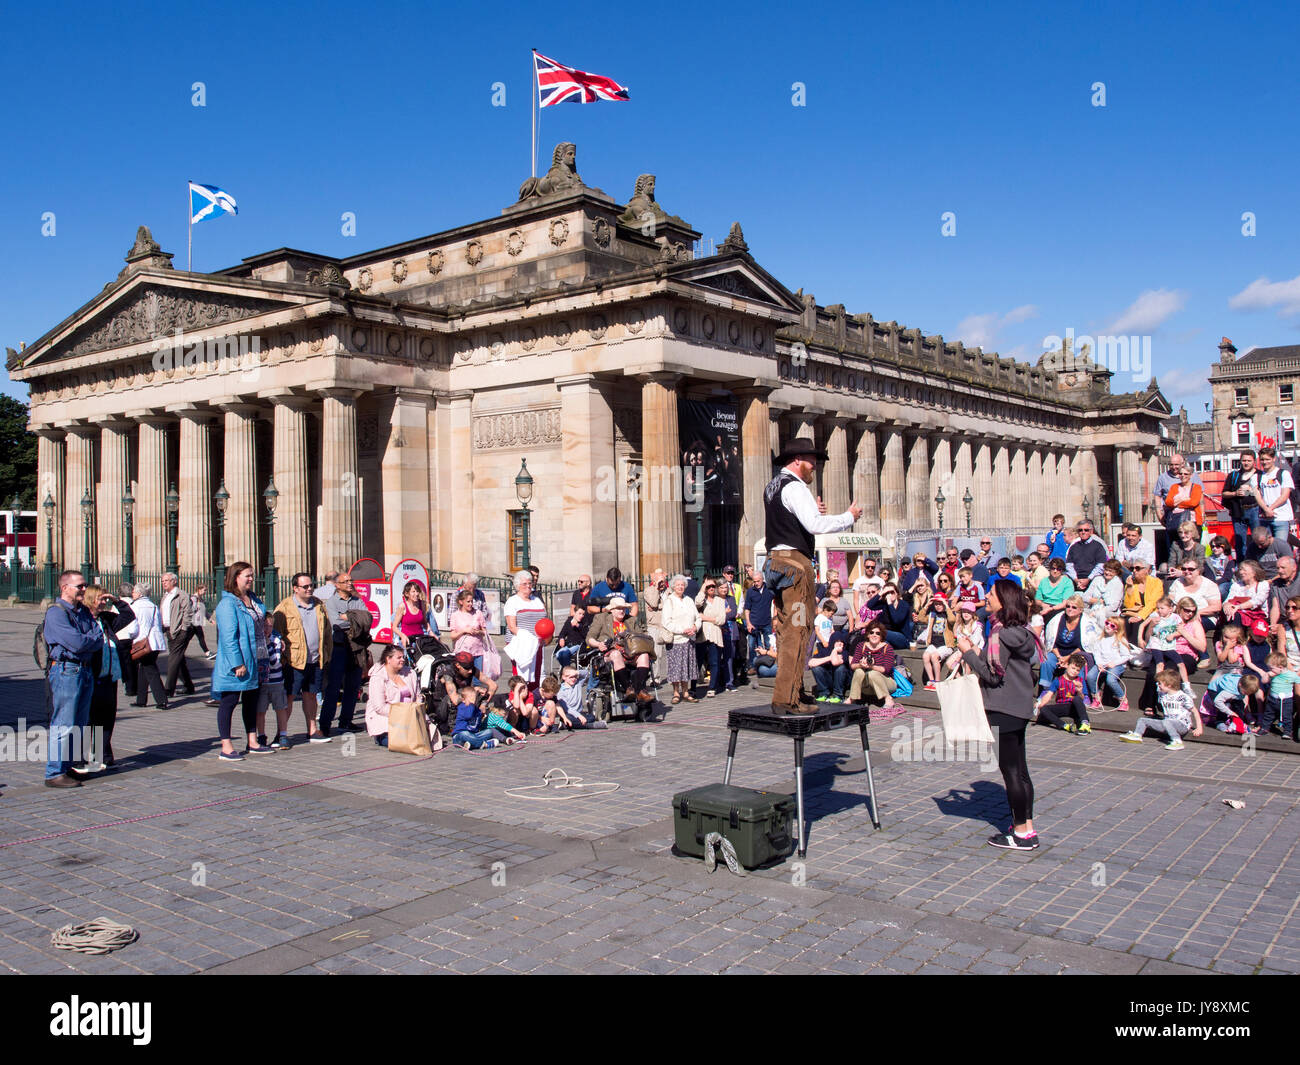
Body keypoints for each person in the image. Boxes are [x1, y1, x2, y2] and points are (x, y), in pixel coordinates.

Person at [763, 437, 863, 714]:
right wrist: (848, 517)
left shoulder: (773, 486)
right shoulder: (795, 487)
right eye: (811, 461)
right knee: (799, 630)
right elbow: (814, 525)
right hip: (795, 567)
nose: (814, 466)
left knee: (786, 630)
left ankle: (795, 690)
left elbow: (791, 520)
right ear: (797, 460)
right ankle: (786, 699)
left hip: (775, 564)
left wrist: (811, 514)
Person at [957, 580, 1040, 850]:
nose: (987, 598)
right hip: (1021, 706)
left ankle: (1019, 834)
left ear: (1003, 601)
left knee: (1011, 772)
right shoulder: (1023, 631)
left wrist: (968, 653)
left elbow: (993, 676)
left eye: (991, 594)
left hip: (1003, 707)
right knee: (1022, 770)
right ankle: (1026, 825)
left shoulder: (1000, 634)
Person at [42, 570, 102, 788]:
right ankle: (54, 772)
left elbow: (98, 637)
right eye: (80, 586)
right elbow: (77, 643)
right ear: (65, 587)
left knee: (79, 723)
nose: (84, 589)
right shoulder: (56, 613)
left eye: (85, 585)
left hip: (84, 669)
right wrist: (88, 641)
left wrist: (88, 641)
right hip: (67, 670)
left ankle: (67, 767)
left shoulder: (83, 611)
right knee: (64, 724)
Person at [213, 562, 274, 760]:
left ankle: (252, 741)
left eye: (252, 575)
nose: (251, 579)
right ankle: (226, 746)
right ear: (235, 577)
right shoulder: (227, 604)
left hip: (257, 657)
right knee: (229, 701)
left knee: (251, 701)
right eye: (247, 575)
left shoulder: (253, 599)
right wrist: (237, 663)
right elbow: (228, 637)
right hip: (239, 661)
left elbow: (262, 622)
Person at [82, 585, 136, 771]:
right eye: (100, 598)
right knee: (92, 718)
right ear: (90, 599)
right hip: (92, 676)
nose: (103, 602)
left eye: (104, 599)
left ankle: (103, 756)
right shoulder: (84, 619)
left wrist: (116, 601)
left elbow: (129, 616)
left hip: (110, 676)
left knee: (107, 718)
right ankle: (91, 756)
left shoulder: (106, 619)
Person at [274, 572, 331, 743]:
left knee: (311, 694)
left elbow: (326, 630)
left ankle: (312, 730)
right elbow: (277, 634)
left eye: (311, 585)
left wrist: (326, 653)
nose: (309, 589)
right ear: (295, 588)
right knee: (289, 697)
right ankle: (281, 733)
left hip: (315, 659)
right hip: (294, 661)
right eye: (305, 586)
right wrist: (283, 658)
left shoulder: (319, 605)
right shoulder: (284, 607)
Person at [319, 573, 369, 736]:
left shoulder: (357, 600)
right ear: (337, 585)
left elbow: (368, 619)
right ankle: (325, 724)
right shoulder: (332, 602)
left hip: (356, 648)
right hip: (339, 647)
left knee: (353, 686)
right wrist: (356, 618)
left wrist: (348, 617)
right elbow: (336, 623)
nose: (350, 583)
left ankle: (345, 721)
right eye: (345, 581)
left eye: (350, 580)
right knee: (333, 687)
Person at [585, 595, 654, 707]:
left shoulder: (631, 620)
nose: (622, 611)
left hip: (631, 652)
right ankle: (628, 689)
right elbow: (590, 638)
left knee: (644, 655)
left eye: (623, 608)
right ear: (611, 610)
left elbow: (642, 635)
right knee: (616, 654)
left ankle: (640, 690)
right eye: (618, 608)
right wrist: (599, 644)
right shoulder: (601, 618)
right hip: (610, 652)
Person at [1118, 669, 1202, 750]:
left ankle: (1177, 741)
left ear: (1169, 685)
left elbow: (1195, 712)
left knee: (1167, 721)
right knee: (1142, 720)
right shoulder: (1163, 694)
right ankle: (1137, 735)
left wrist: (1199, 728)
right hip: (1167, 723)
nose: (1158, 685)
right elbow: (1158, 678)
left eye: (1160, 683)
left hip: (1182, 725)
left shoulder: (1183, 697)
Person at [366, 643, 420, 747]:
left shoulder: (410, 673)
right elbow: (379, 707)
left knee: (426, 739)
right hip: (387, 719)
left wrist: (417, 709)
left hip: (411, 718)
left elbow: (418, 695)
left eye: (403, 657)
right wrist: (402, 713)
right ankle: (380, 738)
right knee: (404, 743)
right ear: (388, 659)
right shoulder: (378, 677)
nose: (403, 660)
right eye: (398, 657)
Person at [503, 570, 547, 688]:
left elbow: (544, 620)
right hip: (521, 643)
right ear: (517, 586)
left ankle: (533, 699)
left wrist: (543, 637)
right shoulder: (512, 601)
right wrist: (529, 638)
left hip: (537, 643)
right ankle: (519, 700)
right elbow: (512, 627)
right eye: (524, 584)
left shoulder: (537, 601)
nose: (528, 586)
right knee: (520, 677)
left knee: (536, 674)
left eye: (530, 583)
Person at [127, 582, 168, 710]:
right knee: (144, 669)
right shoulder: (153, 605)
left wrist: (130, 637)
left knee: (150, 669)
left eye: (133, 591)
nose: (132, 593)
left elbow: (133, 626)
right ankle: (141, 699)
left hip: (143, 642)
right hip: (155, 641)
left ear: (139, 593)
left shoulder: (134, 606)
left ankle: (162, 700)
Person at [661, 574, 701, 704]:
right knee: (676, 668)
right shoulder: (669, 601)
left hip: (689, 639)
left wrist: (695, 627)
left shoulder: (689, 600)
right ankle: (676, 692)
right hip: (676, 640)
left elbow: (698, 617)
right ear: (673, 587)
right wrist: (682, 630)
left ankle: (686, 692)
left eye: (682, 585)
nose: (680, 587)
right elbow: (666, 622)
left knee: (687, 667)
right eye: (678, 585)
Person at [256, 614, 292, 750]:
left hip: (276, 680)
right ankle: (261, 735)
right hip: (262, 682)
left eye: (270, 626)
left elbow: (275, 662)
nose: (267, 629)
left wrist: (268, 644)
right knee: (260, 710)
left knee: (280, 708)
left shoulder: (275, 640)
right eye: (264, 626)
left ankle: (283, 735)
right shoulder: (257, 640)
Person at [160, 572, 197, 700]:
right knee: (179, 660)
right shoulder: (165, 596)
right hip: (169, 630)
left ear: (174, 581)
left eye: (166, 580)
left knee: (173, 659)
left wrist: (184, 628)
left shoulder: (181, 595)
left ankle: (168, 689)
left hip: (180, 631)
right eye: (163, 581)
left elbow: (188, 612)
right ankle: (189, 686)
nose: (164, 583)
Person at [1034, 653, 1092, 733]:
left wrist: (1079, 691)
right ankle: (1065, 726)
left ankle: (1085, 723)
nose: (1075, 671)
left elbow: (1082, 699)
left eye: (1077, 670)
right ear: (1067, 665)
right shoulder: (1058, 680)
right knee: (1043, 709)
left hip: (1074, 706)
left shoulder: (1080, 681)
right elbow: (1049, 694)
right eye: (1073, 668)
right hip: (1062, 706)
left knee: (1077, 699)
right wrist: (1040, 704)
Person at [847, 622, 898, 709]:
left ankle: (888, 698)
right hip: (867, 685)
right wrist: (861, 665)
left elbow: (887, 669)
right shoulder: (861, 646)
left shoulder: (887, 648)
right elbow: (852, 666)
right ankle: (852, 698)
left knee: (873, 673)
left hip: (886, 683)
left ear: (881, 636)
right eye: (872, 632)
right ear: (867, 634)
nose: (874, 635)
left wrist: (871, 666)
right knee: (859, 671)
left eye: (878, 633)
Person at [1221, 450, 1260, 560]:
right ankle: (1241, 564)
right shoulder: (1234, 475)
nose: (1246, 463)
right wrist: (1235, 493)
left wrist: (1253, 491)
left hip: (1255, 509)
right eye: (1244, 460)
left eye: (1249, 461)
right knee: (1240, 542)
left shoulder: (1260, 475)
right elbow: (1224, 493)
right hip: (1238, 511)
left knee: (1257, 539)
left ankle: (1256, 564)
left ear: (1254, 461)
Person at [1091, 617, 1134, 712]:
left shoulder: (1120, 639)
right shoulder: (1100, 638)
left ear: (1117, 629)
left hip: (1116, 665)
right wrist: (1099, 663)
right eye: (1107, 623)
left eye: (1112, 625)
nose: (1108, 626)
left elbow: (1126, 656)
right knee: (1090, 676)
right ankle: (1096, 696)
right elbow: (1096, 652)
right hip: (1102, 664)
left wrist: (1114, 663)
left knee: (1110, 679)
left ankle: (1122, 699)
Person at [810, 600, 848, 702]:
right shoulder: (819, 618)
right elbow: (817, 631)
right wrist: (823, 641)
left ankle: (837, 694)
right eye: (831, 613)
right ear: (826, 610)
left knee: (835, 664)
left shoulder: (829, 619)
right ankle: (824, 692)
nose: (831, 615)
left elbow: (832, 630)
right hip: (822, 643)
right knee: (823, 663)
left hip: (830, 642)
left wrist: (835, 638)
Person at [449, 588, 494, 673]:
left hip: (477, 651)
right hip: (463, 653)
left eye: (471, 601)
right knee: (465, 679)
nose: (470, 604)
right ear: (461, 602)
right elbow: (452, 636)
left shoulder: (478, 613)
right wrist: (464, 630)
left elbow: (485, 632)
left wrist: (478, 632)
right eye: (468, 602)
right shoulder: (455, 615)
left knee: (478, 680)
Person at [698, 579, 729, 698]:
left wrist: (705, 618)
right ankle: (693, 687)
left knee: (714, 661)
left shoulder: (720, 601)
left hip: (715, 635)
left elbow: (721, 620)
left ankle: (712, 687)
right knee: (698, 661)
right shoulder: (702, 601)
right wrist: (702, 587)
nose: (711, 588)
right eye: (708, 586)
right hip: (702, 635)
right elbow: (697, 603)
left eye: (713, 586)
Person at [1255, 446, 1294, 540]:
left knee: (1280, 546)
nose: (1264, 462)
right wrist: (1265, 509)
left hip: (1280, 517)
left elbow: (1284, 495)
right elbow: (1257, 495)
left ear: (1273, 459)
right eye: (1262, 459)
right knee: (1267, 549)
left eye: (1267, 459)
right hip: (1264, 518)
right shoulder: (1257, 476)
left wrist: (1270, 508)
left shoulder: (1283, 474)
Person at [1121, 560, 1164, 645]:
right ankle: (1126, 647)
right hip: (1135, 612)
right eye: (1132, 568)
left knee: (1137, 623)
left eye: (1137, 568)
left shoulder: (1156, 582)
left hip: (1151, 611)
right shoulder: (1131, 583)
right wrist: (1129, 587)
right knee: (1126, 621)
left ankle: (1137, 648)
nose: (1134, 571)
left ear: (1146, 570)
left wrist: (1140, 616)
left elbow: (1153, 603)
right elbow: (1128, 605)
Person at [742, 568, 775, 673]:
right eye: (754, 581)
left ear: (762, 579)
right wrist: (748, 623)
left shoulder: (769, 590)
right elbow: (747, 609)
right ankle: (752, 666)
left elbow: (777, 602)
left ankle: (770, 663)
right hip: (753, 622)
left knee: (768, 644)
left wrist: (775, 617)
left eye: (758, 581)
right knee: (752, 646)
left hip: (766, 622)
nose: (756, 583)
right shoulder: (750, 591)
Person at [642, 567, 670, 685]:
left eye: (662, 579)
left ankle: (672, 677)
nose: (661, 582)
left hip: (668, 625)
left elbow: (670, 605)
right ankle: (656, 678)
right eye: (658, 579)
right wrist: (657, 589)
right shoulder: (649, 590)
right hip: (654, 625)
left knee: (670, 653)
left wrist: (658, 607)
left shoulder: (670, 591)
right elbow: (653, 602)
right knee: (656, 654)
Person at [393, 580, 440, 647]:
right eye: (413, 592)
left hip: (420, 640)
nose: (417, 594)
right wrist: (402, 636)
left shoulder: (422, 604)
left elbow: (425, 622)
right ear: (407, 594)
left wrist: (431, 632)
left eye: (417, 591)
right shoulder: (402, 606)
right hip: (407, 640)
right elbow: (394, 627)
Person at [865, 583, 913, 649]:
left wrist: (890, 603)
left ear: (897, 593)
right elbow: (869, 605)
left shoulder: (904, 605)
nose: (890, 595)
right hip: (886, 638)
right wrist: (881, 593)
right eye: (887, 593)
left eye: (892, 592)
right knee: (883, 645)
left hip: (902, 637)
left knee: (878, 631)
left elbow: (896, 620)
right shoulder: (885, 604)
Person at [1163, 465, 1204, 538]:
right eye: (1180, 474)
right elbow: (1168, 502)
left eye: (1186, 474)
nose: (1183, 476)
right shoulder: (1174, 487)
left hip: (1193, 521)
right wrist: (1184, 499)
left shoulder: (1197, 487)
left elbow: (1193, 503)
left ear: (1191, 475)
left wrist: (1177, 502)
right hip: (1176, 521)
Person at [1065, 519, 1108, 584]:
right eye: (1080, 530)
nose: (1083, 532)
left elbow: (1101, 565)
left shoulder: (1098, 546)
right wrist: (1076, 579)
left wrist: (1088, 579)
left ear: (1091, 531)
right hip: (1076, 579)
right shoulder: (1073, 547)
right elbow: (1069, 565)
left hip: (1093, 578)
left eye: (1086, 530)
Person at [191, 584, 215, 658]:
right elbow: (191, 609)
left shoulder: (200, 599)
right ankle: (207, 653)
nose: (205, 592)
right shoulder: (193, 598)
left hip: (197, 622)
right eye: (204, 590)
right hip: (193, 622)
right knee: (200, 637)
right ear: (199, 590)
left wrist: (210, 619)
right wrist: (196, 606)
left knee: (198, 637)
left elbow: (204, 611)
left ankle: (207, 652)